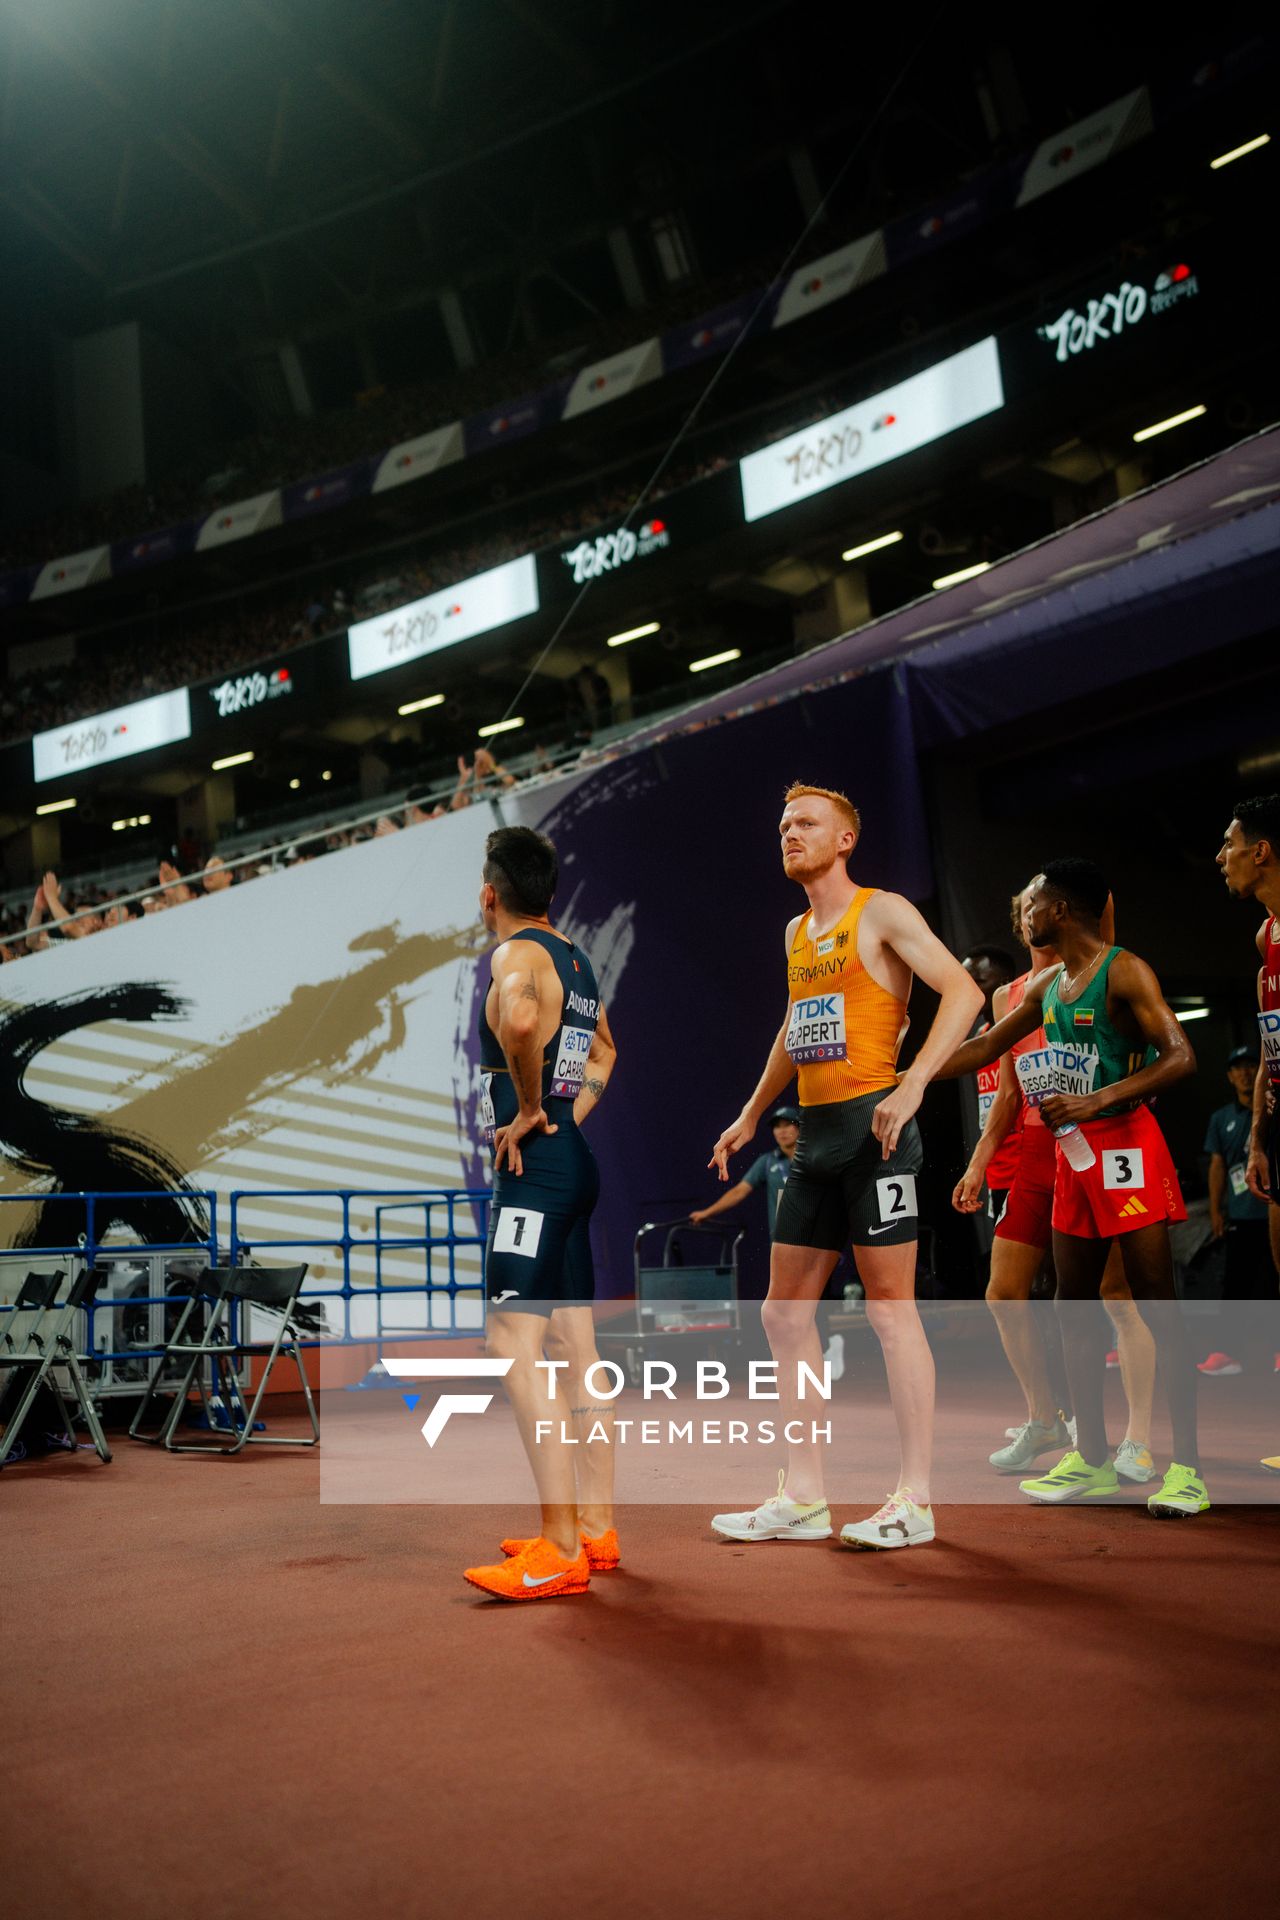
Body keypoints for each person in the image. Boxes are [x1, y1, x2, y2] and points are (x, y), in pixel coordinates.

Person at [706, 781, 984, 1551]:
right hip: (817, 1138)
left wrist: (916, 1082)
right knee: (782, 1313)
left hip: (877, 1132)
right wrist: (753, 1113)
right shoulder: (796, 933)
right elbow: (797, 1028)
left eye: (806, 824)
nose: (789, 834)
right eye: (784, 824)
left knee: (891, 1313)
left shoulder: (883, 910)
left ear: (845, 839)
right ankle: (802, 1497)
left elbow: (964, 992)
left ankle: (916, 1500)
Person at [940, 858, 1204, 1517]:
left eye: (1028, 902)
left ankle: (1188, 1471)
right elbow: (984, 1049)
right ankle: (1091, 1459)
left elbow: (1181, 1056)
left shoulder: (1124, 969)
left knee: (1153, 1304)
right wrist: (897, 1072)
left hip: (1127, 1151)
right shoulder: (1050, 984)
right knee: (1070, 1307)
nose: (1019, 912)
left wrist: (1098, 1101)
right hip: (1072, 1157)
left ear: (1057, 910)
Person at [462, 826, 620, 1601]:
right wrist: (564, 1119)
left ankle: (560, 1547)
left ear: (490, 893)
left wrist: (529, 1111)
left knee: (510, 1336)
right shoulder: (577, 959)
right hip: (569, 1166)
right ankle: (595, 1527)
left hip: (535, 1175)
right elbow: (606, 1055)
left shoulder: (515, 954)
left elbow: (521, 1026)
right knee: (573, 1340)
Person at [1215, 794, 1280, 1470]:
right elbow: (1268, 1050)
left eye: (1229, 844)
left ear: (1261, 851)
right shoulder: (1265, 939)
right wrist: (1258, 1135)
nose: (1221, 857)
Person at [691, 1105, 848, 1379]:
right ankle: (810, 1357)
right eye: (777, 1126)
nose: (782, 1130)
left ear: (800, 1128)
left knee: (814, 1300)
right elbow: (741, 1190)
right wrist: (707, 1213)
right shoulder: (767, 1163)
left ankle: (828, 1347)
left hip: (818, 1241)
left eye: (788, 1124)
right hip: (785, 1244)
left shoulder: (816, 1156)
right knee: (788, 1305)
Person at [1197, 1046, 1272, 1376]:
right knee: (1235, 1286)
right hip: (1240, 1215)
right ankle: (1226, 1352)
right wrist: (1215, 1210)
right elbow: (1217, 1166)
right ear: (1229, 1076)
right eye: (1237, 1068)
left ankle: (1275, 1352)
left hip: (1271, 1213)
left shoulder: (1270, 1109)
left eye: (1250, 1066)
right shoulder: (1221, 1119)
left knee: (1271, 1285)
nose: (1244, 1073)